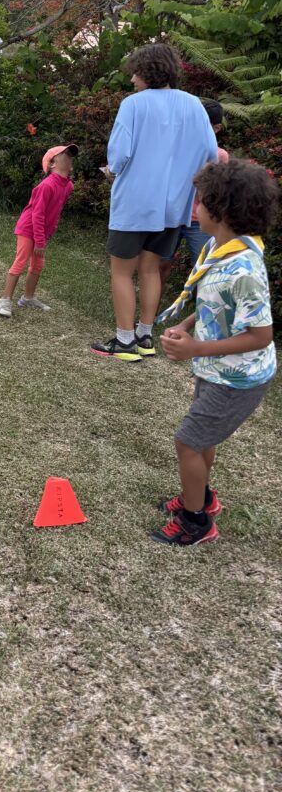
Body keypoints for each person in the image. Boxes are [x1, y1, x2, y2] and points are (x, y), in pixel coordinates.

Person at [152, 159, 278, 545]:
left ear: (221, 212)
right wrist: (186, 325)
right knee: (201, 438)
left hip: (238, 379)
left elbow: (261, 335)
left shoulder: (243, 268)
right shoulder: (217, 246)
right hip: (214, 368)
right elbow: (212, 301)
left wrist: (195, 348)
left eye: (200, 202)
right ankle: (202, 498)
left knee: (188, 441)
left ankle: (196, 523)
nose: (195, 210)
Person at [90, 44, 218, 362]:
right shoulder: (194, 106)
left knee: (121, 271)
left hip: (134, 204)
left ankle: (124, 342)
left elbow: (119, 156)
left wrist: (111, 172)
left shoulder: (134, 105)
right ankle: (145, 336)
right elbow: (212, 158)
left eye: (135, 72)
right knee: (150, 271)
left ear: (147, 72)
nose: (132, 79)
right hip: (174, 208)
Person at [0, 144, 77, 317]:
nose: (70, 156)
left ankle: (28, 298)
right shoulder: (46, 186)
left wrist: (48, 233)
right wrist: (39, 240)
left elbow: (56, 211)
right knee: (21, 262)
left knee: (38, 264)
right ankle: (5, 301)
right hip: (28, 227)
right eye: (65, 154)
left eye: (71, 154)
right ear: (52, 164)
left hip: (42, 231)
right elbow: (37, 215)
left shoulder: (68, 186)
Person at [159, 98, 229, 284]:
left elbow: (217, 192)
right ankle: (150, 314)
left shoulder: (220, 156)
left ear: (217, 128)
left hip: (200, 222)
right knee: (159, 266)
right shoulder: (176, 148)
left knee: (203, 273)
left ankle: (204, 312)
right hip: (171, 216)